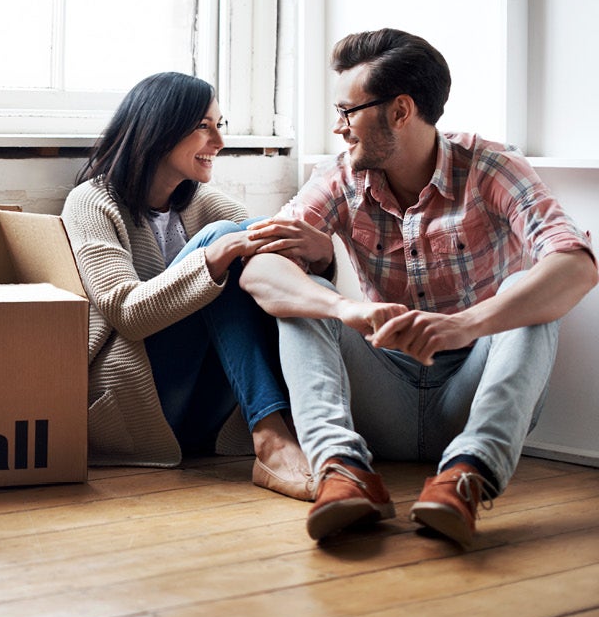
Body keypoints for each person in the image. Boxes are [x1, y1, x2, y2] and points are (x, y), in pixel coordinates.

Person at [239, 29, 598, 545]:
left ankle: (467, 477)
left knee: (530, 292)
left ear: (401, 111)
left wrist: (464, 325)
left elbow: (577, 265)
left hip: (474, 396)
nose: (339, 128)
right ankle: (342, 473)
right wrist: (345, 309)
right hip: (381, 396)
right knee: (303, 296)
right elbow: (257, 269)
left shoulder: (490, 167)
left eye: (348, 112)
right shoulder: (339, 176)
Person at [61, 71, 313, 500]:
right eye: (204, 126)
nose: (219, 141)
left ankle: (306, 423)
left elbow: (261, 245)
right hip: (140, 403)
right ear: (159, 129)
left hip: (205, 412)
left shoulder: (201, 200)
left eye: (221, 125)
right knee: (223, 242)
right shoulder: (92, 202)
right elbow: (128, 313)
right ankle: (273, 437)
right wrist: (212, 258)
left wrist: (310, 250)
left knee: (253, 236)